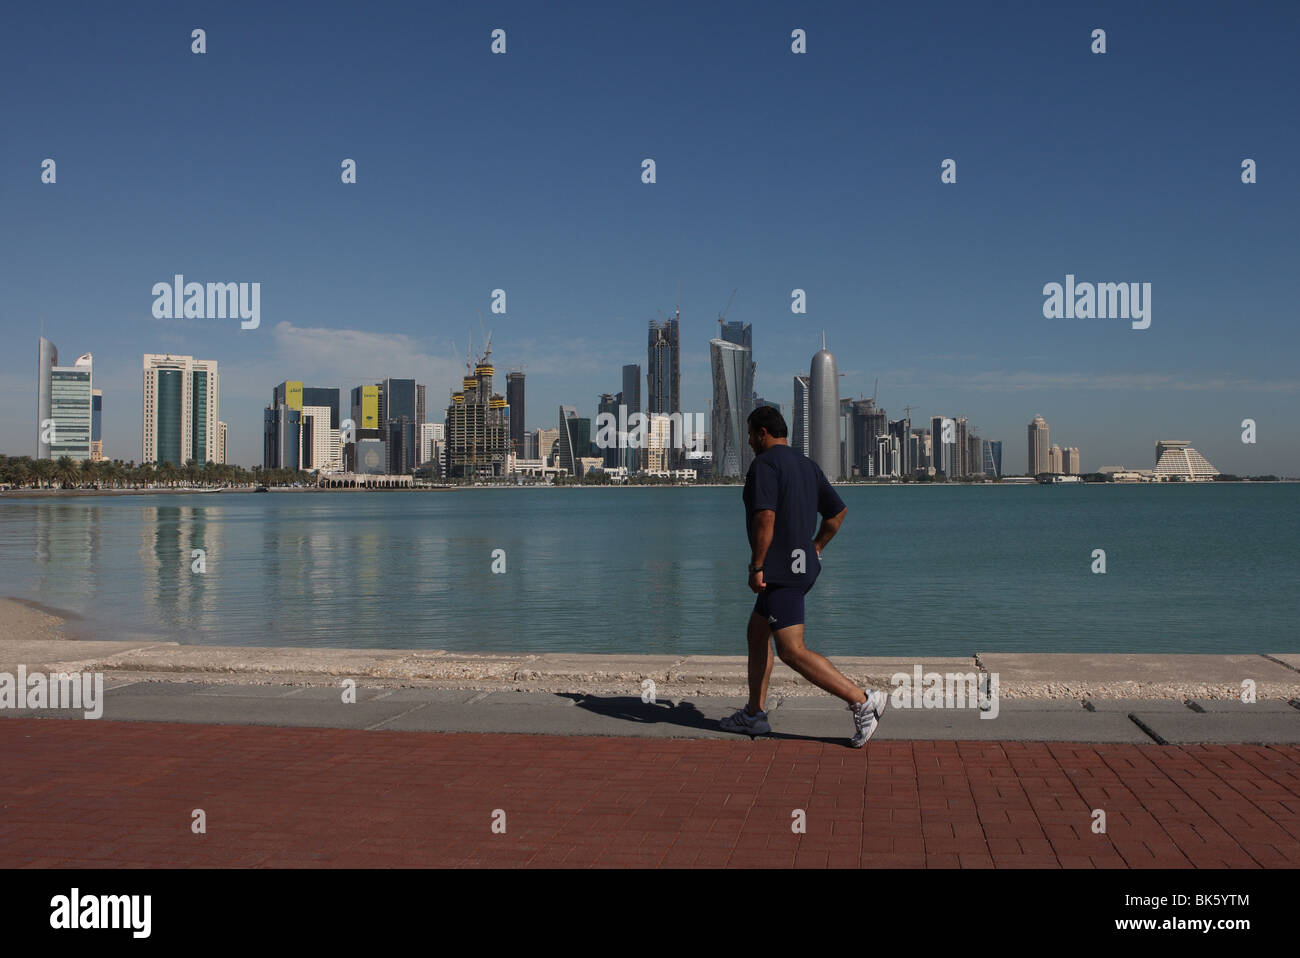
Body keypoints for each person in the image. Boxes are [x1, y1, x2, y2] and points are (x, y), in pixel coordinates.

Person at [720, 406, 886, 747]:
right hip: (802, 567)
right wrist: (817, 547)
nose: (749, 441)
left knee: (791, 650)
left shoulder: (764, 465)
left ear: (763, 433)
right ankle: (754, 714)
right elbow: (837, 512)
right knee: (757, 633)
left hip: (779, 571)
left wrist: (757, 565)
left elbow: (765, 517)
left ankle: (863, 701)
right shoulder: (807, 465)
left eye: (751, 434)